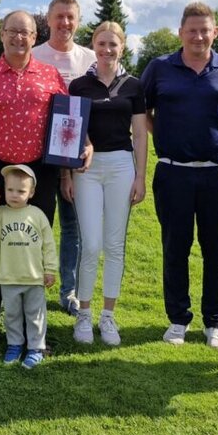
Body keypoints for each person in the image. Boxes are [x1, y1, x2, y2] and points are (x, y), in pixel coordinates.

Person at [0, 9, 87, 353]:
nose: (19, 38)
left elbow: (67, 124)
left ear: (35, 37)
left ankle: (35, 334)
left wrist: (73, 160)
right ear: (2, 34)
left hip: (40, 173)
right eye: (12, 31)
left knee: (34, 247)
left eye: (26, 32)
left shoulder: (50, 76)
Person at [140, 2, 218, 350]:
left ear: (215, 32)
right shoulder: (159, 68)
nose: (198, 36)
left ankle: (215, 322)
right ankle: (177, 319)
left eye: (205, 30)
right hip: (173, 173)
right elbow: (144, 113)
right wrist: (166, 137)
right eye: (192, 30)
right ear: (181, 33)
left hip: (217, 174)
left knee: (217, 250)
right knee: (176, 248)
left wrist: (217, 141)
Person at [63, 21, 148, 346]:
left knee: (114, 246)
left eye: (113, 44)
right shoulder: (79, 85)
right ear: (93, 46)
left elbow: (139, 134)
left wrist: (140, 176)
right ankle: (83, 314)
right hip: (87, 170)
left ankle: (107, 316)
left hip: (121, 167)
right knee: (92, 245)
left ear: (122, 47)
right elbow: (71, 131)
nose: (107, 50)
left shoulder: (134, 86)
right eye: (102, 44)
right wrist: (68, 175)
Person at [32, 0, 96, 316]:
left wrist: (88, 145)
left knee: (73, 226)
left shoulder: (90, 59)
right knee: (37, 224)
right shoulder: (33, 56)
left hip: (76, 158)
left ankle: (68, 290)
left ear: (78, 21)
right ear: (48, 19)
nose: (65, 23)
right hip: (37, 157)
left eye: (70, 17)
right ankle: (28, 286)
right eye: (59, 17)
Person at [0, 164, 58, 369]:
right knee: (12, 314)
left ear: (31, 192)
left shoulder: (37, 215)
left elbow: (49, 244)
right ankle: (14, 344)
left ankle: (36, 348)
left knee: (35, 315)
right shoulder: (1, 213)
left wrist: (50, 269)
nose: (14, 195)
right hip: (8, 276)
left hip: (33, 277)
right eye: (10, 190)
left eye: (21, 191)